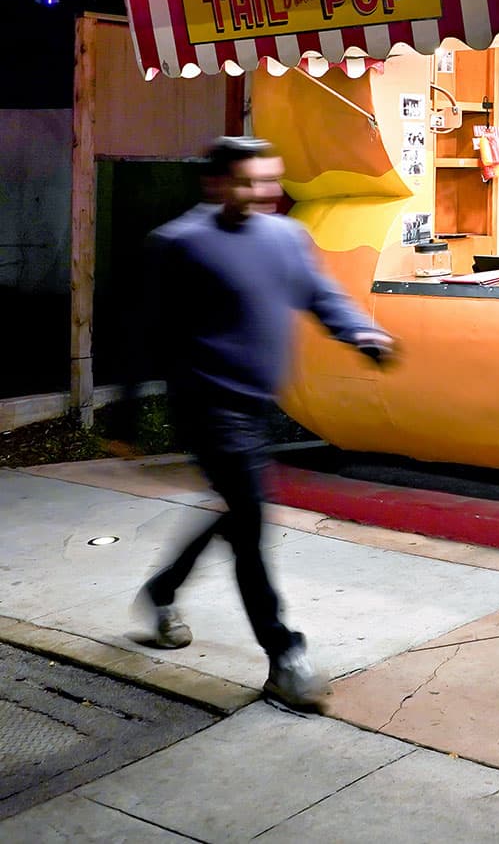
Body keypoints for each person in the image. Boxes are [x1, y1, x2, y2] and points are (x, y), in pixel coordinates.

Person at [133, 136, 395, 711]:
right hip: (208, 408)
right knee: (250, 520)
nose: (266, 193)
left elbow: (321, 295)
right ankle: (284, 656)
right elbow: (149, 327)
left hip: (257, 407)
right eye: (250, 182)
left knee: (238, 512)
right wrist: (138, 398)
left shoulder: (287, 236)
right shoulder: (178, 244)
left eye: (272, 181)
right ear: (216, 184)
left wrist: (360, 331)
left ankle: (162, 590)